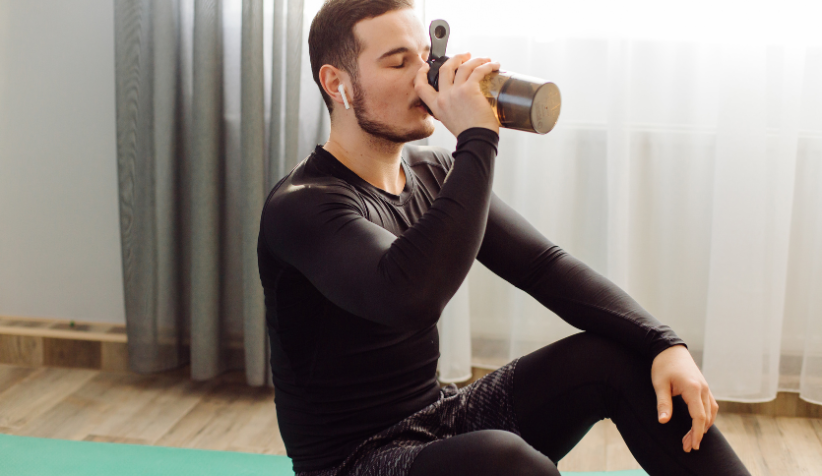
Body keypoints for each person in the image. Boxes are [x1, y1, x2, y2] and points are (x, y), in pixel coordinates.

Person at [256, 1, 752, 475]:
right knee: (506, 463)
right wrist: (478, 139)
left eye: (426, 58)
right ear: (336, 83)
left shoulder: (431, 172)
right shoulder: (302, 206)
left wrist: (666, 344)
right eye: (398, 62)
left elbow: (545, 267)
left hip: (439, 419)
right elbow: (409, 295)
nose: (425, 77)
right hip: (354, 463)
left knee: (617, 355)